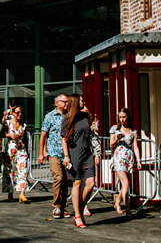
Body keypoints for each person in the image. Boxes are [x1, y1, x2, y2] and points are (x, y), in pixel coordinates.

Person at [61, 94, 96, 228]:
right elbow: (64, 139)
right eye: (82, 100)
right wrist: (66, 156)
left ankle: (80, 207)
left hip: (87, 153)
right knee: (77, 183)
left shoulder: (84, 116)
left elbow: (88, 114)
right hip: (74, 153)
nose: (84, 101)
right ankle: (77, 215)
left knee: (91, 183)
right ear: (75, 102)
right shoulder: (67, 119)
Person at [38, 93, 69, 218]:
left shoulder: (69, 116)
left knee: (65, 182)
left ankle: (62, 206)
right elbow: (43, 135)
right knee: (58, 177)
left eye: (67, 102)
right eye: (64, 102)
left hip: (67, 153)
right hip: (54, 152)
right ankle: (56, 206)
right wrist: (41, 153)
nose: (66, 104)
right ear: (57, 103)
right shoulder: (50, 116)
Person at [109, 108, 141, 215]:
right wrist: (118, 138)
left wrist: (139, 161)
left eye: (123, 117)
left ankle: (120, 204)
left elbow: (135, 147)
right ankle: (125, 207)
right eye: (120, 117)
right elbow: (111, 144)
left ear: (127, 117)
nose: (121, 119)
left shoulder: (132, 131)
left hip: (129, 158)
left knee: (125, 184)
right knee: (126, 183)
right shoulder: (115, 128)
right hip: (119, 157)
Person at [0, 104, 30, 202]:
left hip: (21, 149)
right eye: (17, 113)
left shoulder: (23, 123)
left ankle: (22, 194)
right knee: (10, 172)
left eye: (21, 112)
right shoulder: (8, 122)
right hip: (10, 149)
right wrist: (9, 135)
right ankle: (10, 193)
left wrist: (28, 151)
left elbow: (25, 138)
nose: (20, 114)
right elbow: (0, 134)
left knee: (23, 171)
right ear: (13, 113)